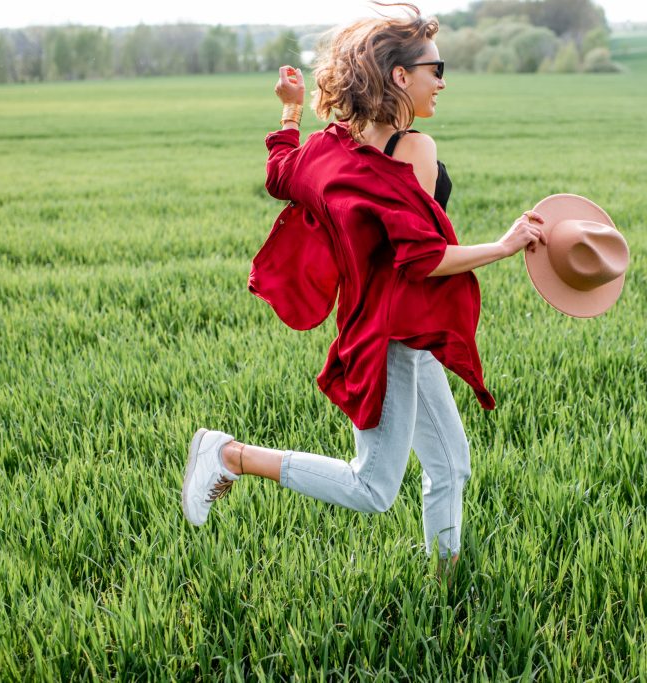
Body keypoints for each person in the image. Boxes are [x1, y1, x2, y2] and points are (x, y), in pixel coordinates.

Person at [182, 2, 546, 584]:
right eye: (436, 68)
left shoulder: (329, 151)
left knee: (451, 464)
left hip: (384, 328)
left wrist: (290, 108)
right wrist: (504, 246)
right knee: (373, 487)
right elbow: (422, 260)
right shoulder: (413, 152)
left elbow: (280, 174)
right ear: (400, 76)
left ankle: (447, 582)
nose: (443, 82)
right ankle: (230, 455)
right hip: (391, 335)